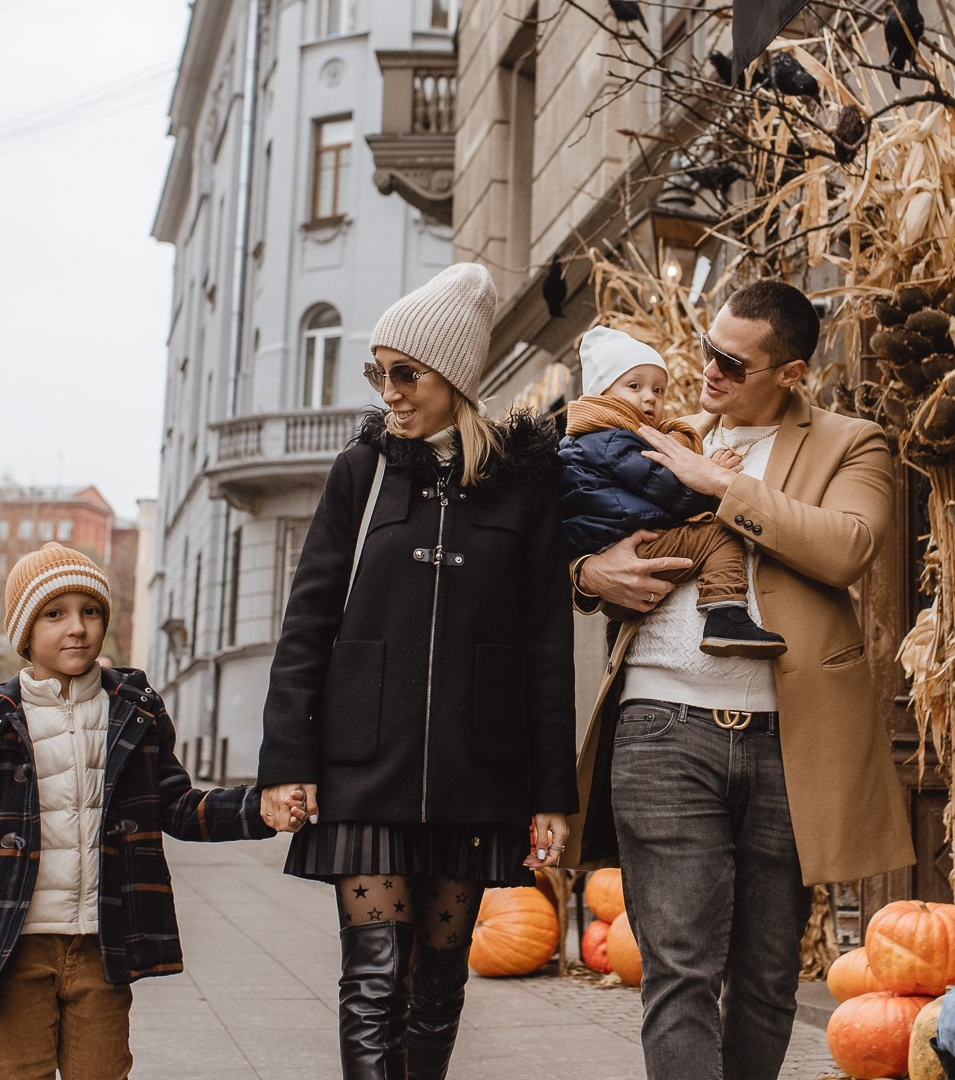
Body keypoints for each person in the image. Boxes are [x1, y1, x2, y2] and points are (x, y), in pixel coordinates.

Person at [566, 279, 915, 1080]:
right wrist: (589, 573)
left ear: (790, 371)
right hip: (660, 725)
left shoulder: (850, 443)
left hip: (789, 741)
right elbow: (583, 517)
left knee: (762, 976)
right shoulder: (659, 427)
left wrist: (723, 482)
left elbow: (849, 545)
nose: (709, 372)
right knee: (678, 969)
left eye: (732, 360)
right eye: (708, 350)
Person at [256, 261, 579, 1080]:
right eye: (379, 373)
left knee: (437, 984)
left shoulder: (523, 484)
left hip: (479, 773)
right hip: (367, 769)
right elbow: (307, 625)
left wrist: (551, 793)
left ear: (456, 377)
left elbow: (545, 643)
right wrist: (288, 762)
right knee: (372, 980)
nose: (388, 390)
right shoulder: (361, 471)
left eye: (406, 373)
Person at [0, 543, 276, 1079]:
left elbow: (176, 806)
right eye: (55, 614)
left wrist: (260, 808)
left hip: (102, 946)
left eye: (91, 611)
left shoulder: (134, 709)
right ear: (25, 631)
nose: (77, 628)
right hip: (13, 948)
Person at [558, 324, 784, 657]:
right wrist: (716, 483)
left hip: (620, 559)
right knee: (720, 534)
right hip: (634, 553)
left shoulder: (588, 443)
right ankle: (725, 613)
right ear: (601, 394)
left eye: (659, 390)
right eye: (634, 386)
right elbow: (669, 490)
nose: (649, 397)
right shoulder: (617, 441)